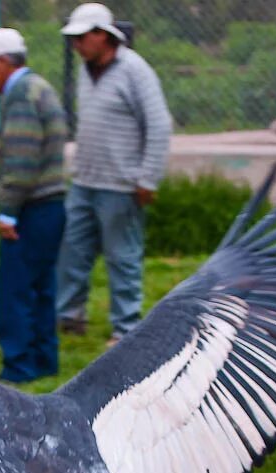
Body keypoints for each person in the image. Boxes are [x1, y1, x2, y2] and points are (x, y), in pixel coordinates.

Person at [56, 3, 172, 347]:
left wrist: (147, 178)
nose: (76, 45)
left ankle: (126, 327)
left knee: (122, 258)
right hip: (84, 180)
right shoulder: (85, 70)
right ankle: (70, 315)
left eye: (81, 38)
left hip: (121, 185)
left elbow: (159, 125)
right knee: (73, 252)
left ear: (102, 36)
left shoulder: (135, 70)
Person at [0, 28, 67, 384]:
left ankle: (20, 367)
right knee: (41, 288)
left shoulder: (21, 93)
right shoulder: (39, 86)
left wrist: (8, 209)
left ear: (3, 62)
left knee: (14, 292)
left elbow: (23, 157)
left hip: (31, 207)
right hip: (50, 204)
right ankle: (44, 360)